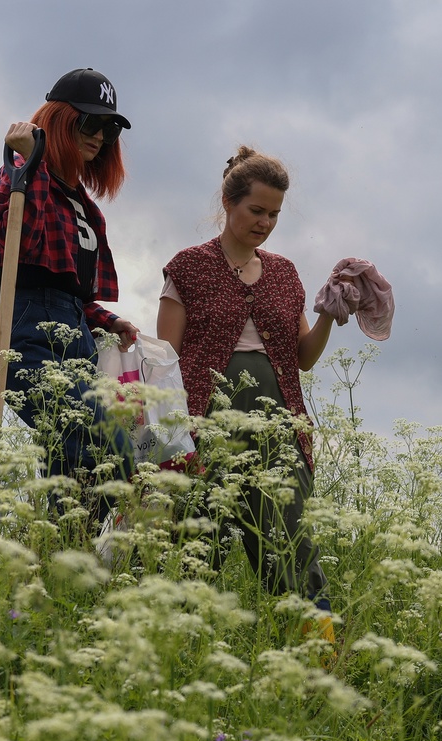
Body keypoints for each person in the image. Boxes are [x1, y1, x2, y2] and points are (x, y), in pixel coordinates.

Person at [157, 145, 338, 610]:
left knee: (292, 546)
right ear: (228, 203)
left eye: (274, 215)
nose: (265, 222)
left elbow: (302, 359)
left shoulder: (283, 273)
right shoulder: (188, 268)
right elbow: (166, 360)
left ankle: (317, 658)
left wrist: (329, 318)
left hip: (279, 428)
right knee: (196, 547)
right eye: (256, 210)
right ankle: (182, 653)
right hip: (206, 427)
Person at [0, 67, 139, 515]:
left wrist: (108, 320)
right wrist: (29, 162)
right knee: (104, 442)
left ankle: (63, 567)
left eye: (108, 128)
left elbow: (68, 286)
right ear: (60, 120)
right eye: (89, 122)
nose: (99, 136)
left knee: (76, 470)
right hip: (25, 332)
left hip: (77, 336)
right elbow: (14, 239)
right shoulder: (19, 174)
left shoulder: (83, 204)